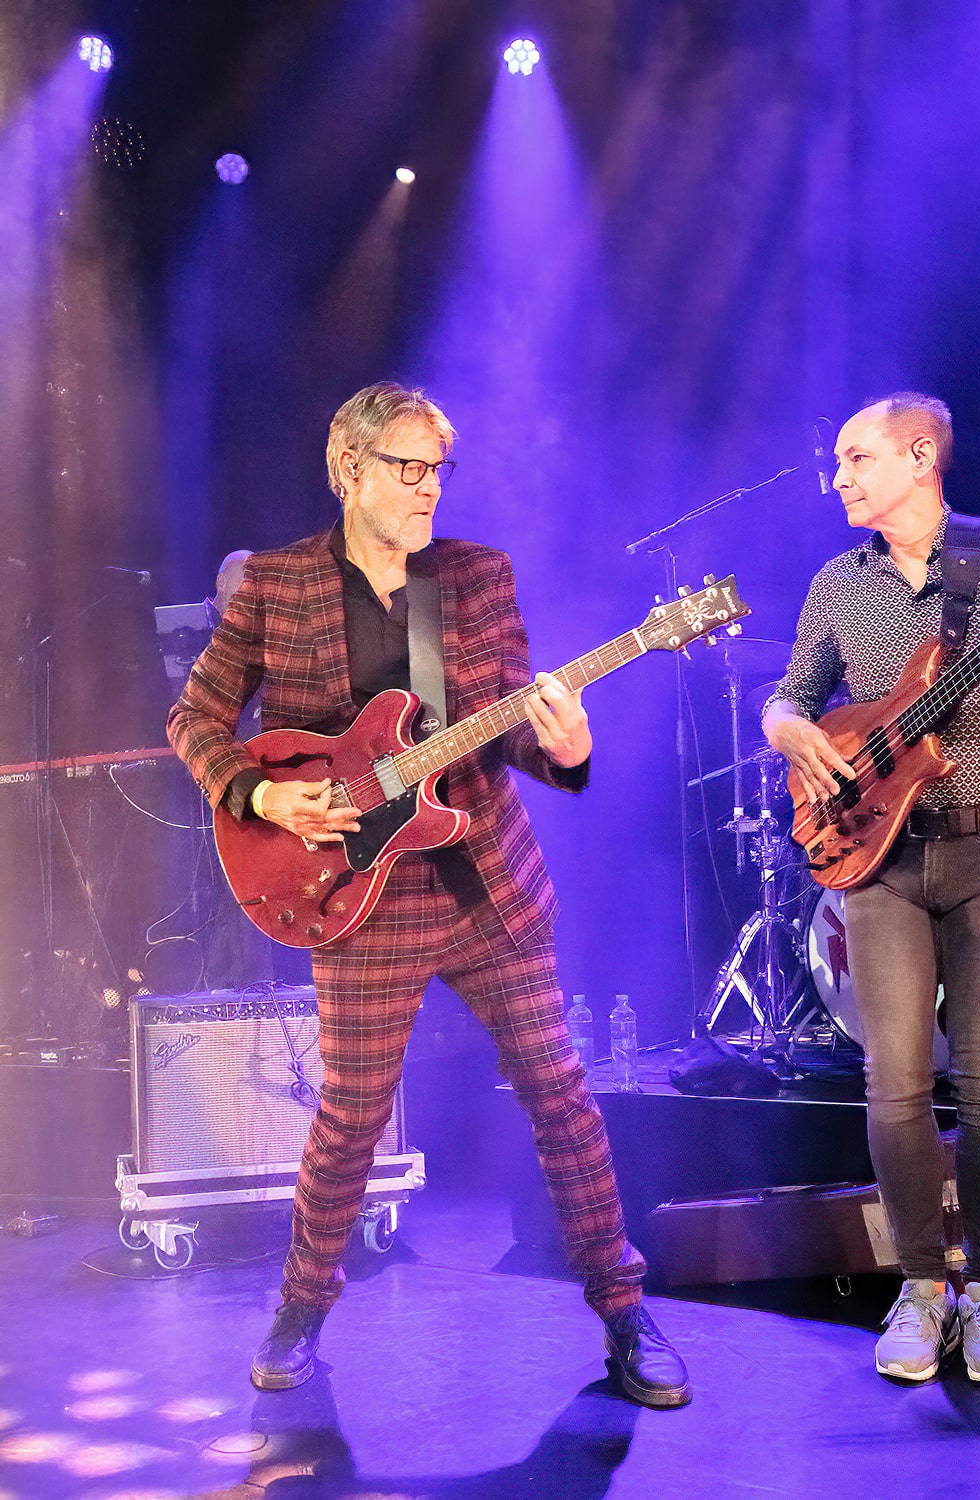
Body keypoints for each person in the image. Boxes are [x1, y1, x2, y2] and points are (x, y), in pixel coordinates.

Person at [167, 381, 690, 1407]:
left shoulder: (478, 576)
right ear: (348, 469)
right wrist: (263, 794)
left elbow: (516, 729)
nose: (428, 488)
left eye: (438, 470)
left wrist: (565, 744)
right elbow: (195, 718)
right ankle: (300, 1306)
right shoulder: (275, 584)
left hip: (484, 880)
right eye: (408, 467)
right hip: (354, 895)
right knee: (350, 1118)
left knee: (561, 1094)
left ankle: (624, 1307)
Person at [763, 392, 980, 1384]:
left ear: (918, 457)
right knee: (894, 1085)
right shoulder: (837, 582)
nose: (839, 478)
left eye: (857, 458)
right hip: (878, 859)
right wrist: (788, 728)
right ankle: (922, 1286)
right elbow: (791, 692)